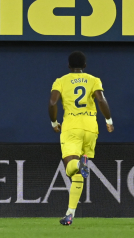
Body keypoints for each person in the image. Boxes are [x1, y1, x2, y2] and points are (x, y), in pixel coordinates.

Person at [48, 51, 114, 225]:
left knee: (71, 167)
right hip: (91, 128)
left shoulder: (61, 81)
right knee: (78, 175)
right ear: (85, 66)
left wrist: (54, 122)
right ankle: (70, 213)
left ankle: (78, 163)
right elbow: (101, 99)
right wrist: (109, 120)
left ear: (69, 66)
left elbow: (53, 103)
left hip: (72, 127)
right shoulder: (94, 80)